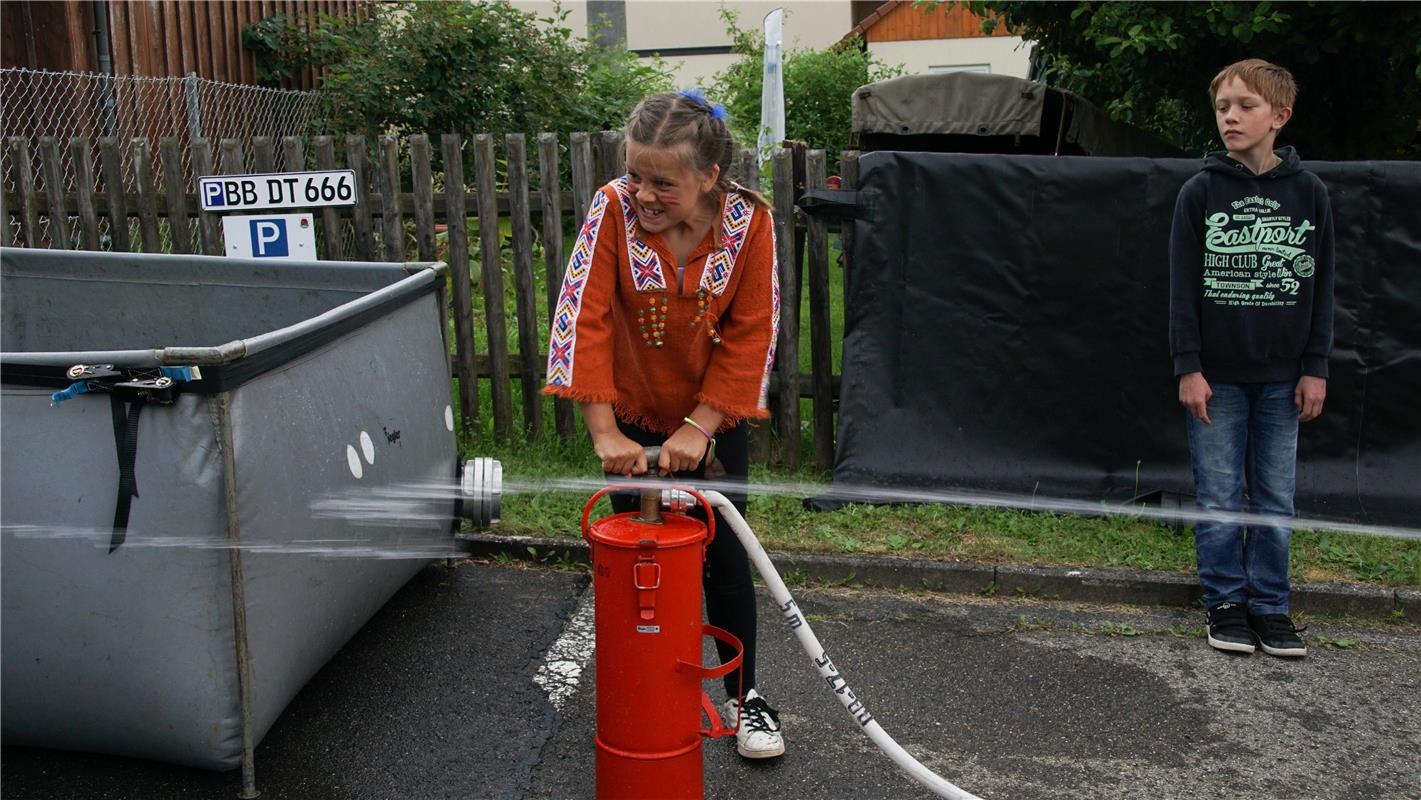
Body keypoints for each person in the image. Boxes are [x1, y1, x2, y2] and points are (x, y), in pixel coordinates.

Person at [543, 89, 785, 757]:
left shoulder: (750, 222)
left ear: (708, 176)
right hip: (628, 409)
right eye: (636, 174)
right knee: (637, 556)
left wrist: (700, 429)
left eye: (663, 182)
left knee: (723, 556)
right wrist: (605, 435)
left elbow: (751, 335)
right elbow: (581, 319)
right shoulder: (611, 208)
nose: (644, 193)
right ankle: (644, 690)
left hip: (710, 413)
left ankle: (745, 700)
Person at [1169, 59, 1335, 658]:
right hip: (1216, 379)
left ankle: (1270, 605)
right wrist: (1189, 366)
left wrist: (1316, 366)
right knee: (1217, 493)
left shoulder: (1309, 194)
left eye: (1245, 106)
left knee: (1274, 496)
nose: (1231, 117)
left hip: (1283, 379)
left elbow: (1323, 287)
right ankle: (1226, 603)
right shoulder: (1200, 193)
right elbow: (1181, 290)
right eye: (1222, 108)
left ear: (1280, 116)